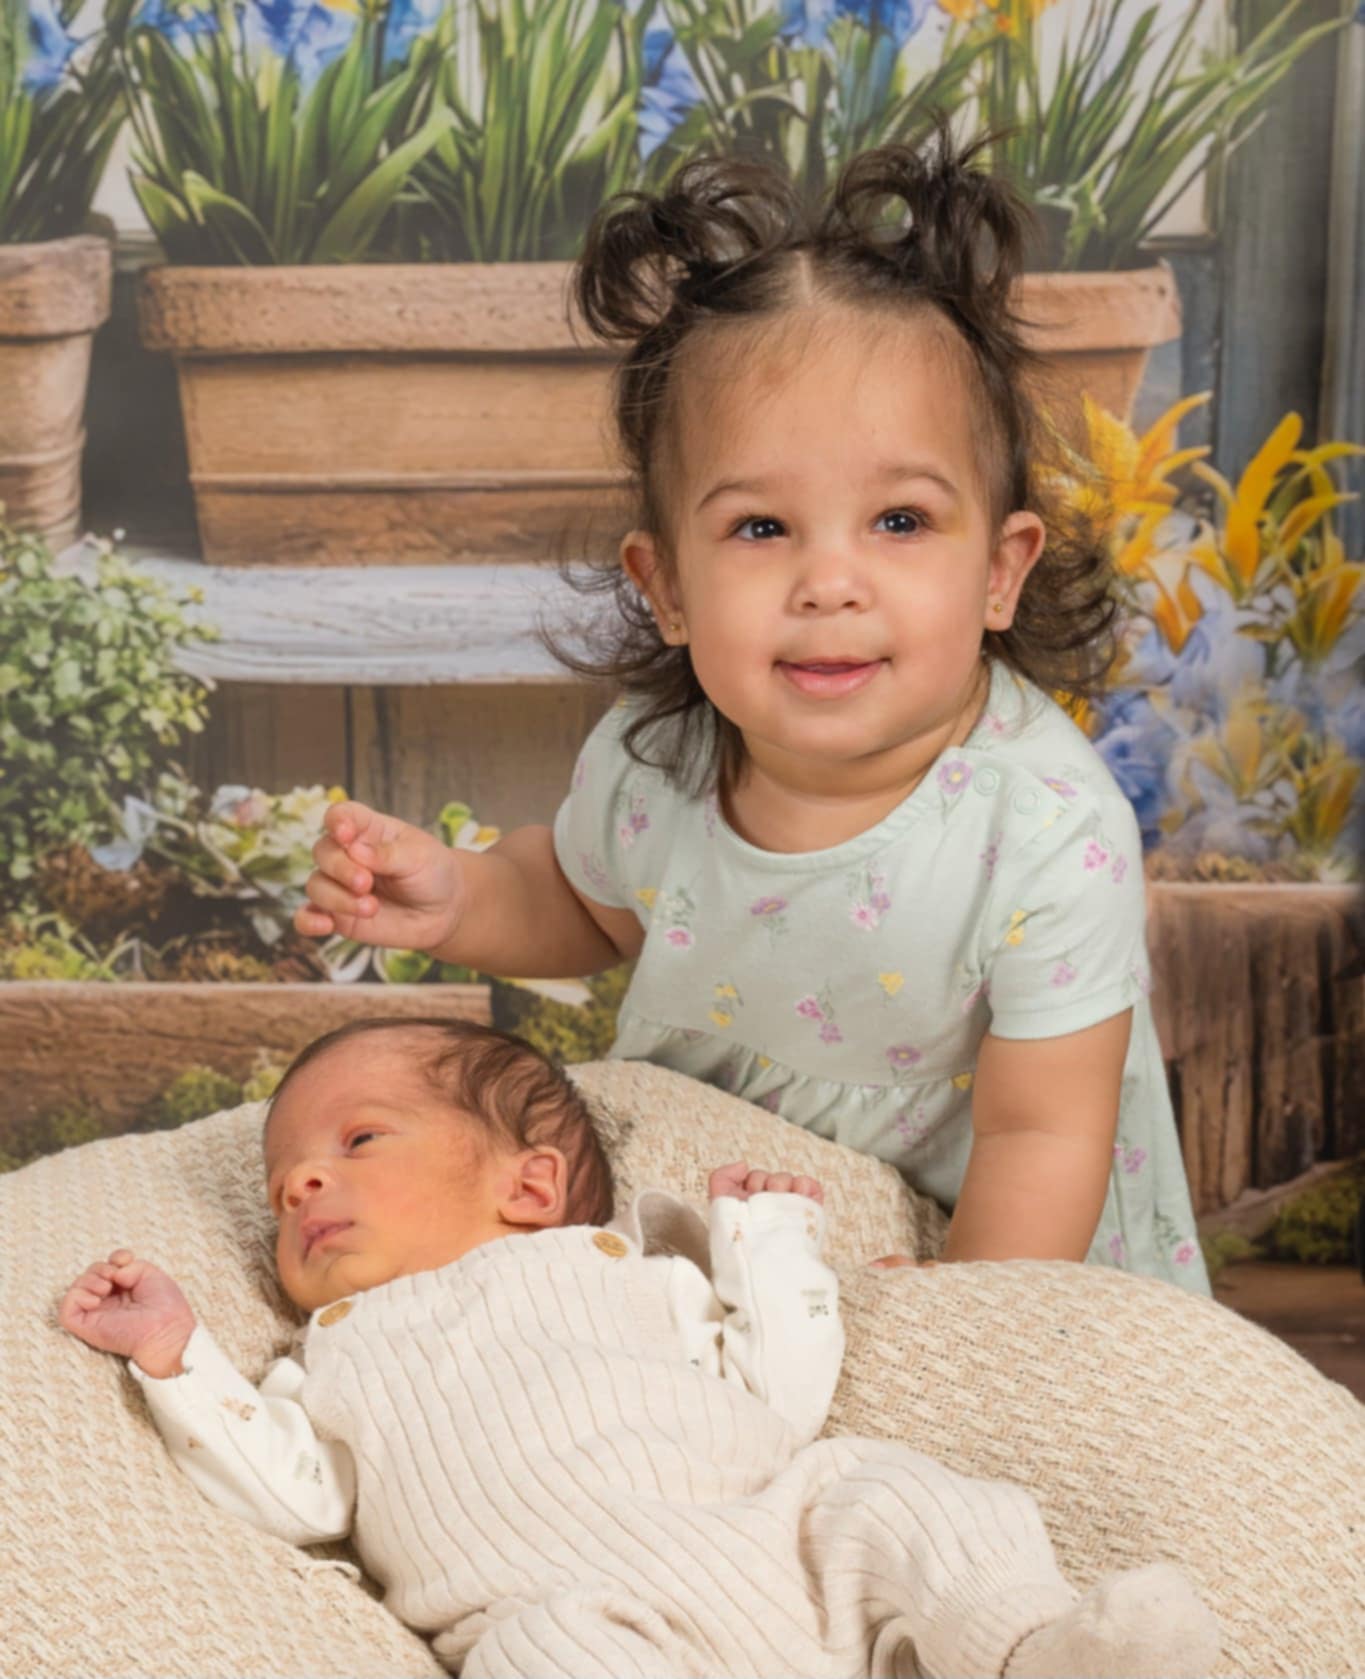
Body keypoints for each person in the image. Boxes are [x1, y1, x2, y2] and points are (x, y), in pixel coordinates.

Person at [292, 124, 1209, 1295]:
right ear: (667, 585)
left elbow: (1045, 1133)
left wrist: (948, 1314)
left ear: (1000, 569)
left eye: (900, 521)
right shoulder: (658, 758)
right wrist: (463, 896)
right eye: (761, 527)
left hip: (988, 1234)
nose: (830, 581)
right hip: (727, 1205)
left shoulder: (1046, 832)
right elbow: (584, 904)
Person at [60, 1017, 1219, 1679]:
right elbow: (291, 1493)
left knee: (883, 1488)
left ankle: (1032, 1647)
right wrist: (176, 1353)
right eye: (282, 1186)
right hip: (580, 1613)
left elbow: (783, 1389)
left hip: (780, 1541)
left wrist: (767, 1240)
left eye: (357, 1139)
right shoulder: (333, 1354)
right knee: (532, 1654)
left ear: (531, 1185)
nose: (302, 1183)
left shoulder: (631, 1272)